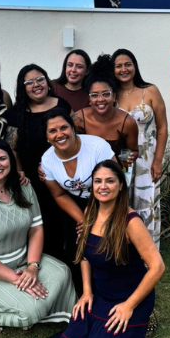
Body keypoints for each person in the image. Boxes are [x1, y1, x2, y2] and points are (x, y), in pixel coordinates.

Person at [34, 160, 165, 338]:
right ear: (92, 185)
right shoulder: (90, 212)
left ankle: (144, 318)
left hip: (128, 298)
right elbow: (85, 255)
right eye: (98, 181)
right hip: (101, 295)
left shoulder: (130, 221)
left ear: (121, 185)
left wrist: (128, 306)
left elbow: (157, 267)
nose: (103, 186)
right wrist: (87, 293)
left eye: (110, 181)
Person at [0, 139, 77, 335]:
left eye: (2, 158)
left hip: (21, 263)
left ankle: (27, 300)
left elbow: (36, 229)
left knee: (62, 272)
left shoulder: (24, 188)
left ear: (11, 161)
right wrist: (17, 280)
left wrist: (32, 267)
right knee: (30, 311)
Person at [42, 109, 116, 293]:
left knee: (105, 243)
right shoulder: (47, 160)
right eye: (52, 131)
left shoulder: (97, 147)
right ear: (47, 137)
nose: (59, 134)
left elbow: (113, 184)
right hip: (74, 203)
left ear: (73, 128)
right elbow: (59, 194)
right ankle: (82, 294)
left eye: (64, 127)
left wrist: (96, 218)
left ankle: (112, 290)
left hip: (108, 199)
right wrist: (83, 220)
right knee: (76, 245)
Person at [6, 64, 71, 261]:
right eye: (29, 82)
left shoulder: (62, 105)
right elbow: (12, 147)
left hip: (61, 176)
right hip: (30, 180)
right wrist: (19, 172)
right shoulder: (16, 113)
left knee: (65, 225)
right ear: (22, 87)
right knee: (39, 225)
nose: (36, 85)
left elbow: (72, 138)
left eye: (40, 79)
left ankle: (70, 269)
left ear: (47, 81)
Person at [112, 49, 168, 245]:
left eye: (127, 64)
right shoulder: (111, 95)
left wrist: (158, 160)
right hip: (123, 156)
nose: (123, 69)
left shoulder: (150, 91)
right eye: (118, 66)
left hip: (147, 156)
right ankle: (124, 250)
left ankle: (149, 252)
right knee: (122, 200)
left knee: (147, 201)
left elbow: (162, 128)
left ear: (134, 66)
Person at [74, 54, 138, 163]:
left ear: (114, 96)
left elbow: (133, 150)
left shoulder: (127, 122)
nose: (100, 99)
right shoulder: (79, 119)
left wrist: (129, 157)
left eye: (106, 94)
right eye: (94, 95)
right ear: (89, 99)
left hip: (115, 171)